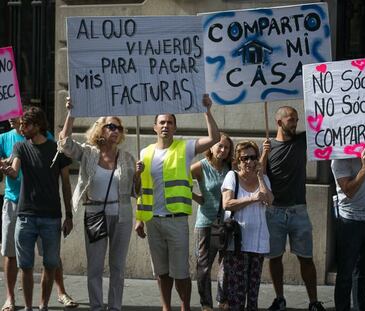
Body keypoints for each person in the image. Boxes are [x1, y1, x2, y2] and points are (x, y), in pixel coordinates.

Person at [135, 94, 220, 311]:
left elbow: (214, 138)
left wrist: (207, 111)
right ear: (155, 127)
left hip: (177, 220)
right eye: (161, 122)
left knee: (180, 272)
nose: (165, 125)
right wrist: (139, 219)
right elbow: (140, 190)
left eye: (169, 122)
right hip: (153, 220)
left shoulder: (185, 147)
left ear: (174, 127)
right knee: (161, 272)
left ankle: (185, 307)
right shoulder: (145, 153)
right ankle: (166, 307)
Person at [58, 98, 139, 311]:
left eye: (118, 128)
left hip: (122, 214)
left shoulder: (128, 158)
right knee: (95, 266)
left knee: (118, 267)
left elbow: (136, 192)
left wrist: (139, 175)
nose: (115, 130)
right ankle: (96, 306)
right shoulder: (88, 152)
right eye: (111, 126)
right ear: (100, 130)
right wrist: (71, 113)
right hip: (95, 212)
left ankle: (114, 307)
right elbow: (64, 144)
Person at [0, 117, 78, 311]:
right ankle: (19, 302)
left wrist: (69, 214)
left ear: (37, 125)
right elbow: (13, 171)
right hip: (20, 208)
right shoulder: (15, 144)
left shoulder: (54, 146)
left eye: (25, 123)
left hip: (49, 213)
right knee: (18, 260)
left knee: (51, 261)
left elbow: (66, 183)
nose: (20, 126)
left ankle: (51, 299)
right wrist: (6, 168)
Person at [261, 106, 325, 311]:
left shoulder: (302, 141)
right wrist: (263, 154)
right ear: (279, 122)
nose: (296, 123)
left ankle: (313, 302)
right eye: (291, 120)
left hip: (299, 211)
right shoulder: (268, 147)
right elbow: (259, 175)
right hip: (274, 212)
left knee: (306, 259)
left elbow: (324, 121)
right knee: (275, 258)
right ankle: (280, 298)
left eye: (296, 119)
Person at [221, 141, 273, 311]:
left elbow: (269, 201)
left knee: (253, 294)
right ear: (237, 160)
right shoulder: (232, 176)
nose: (249, 162)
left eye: (253, 157)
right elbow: (227, 204)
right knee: (236, 294)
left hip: (258, 243)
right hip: (237, 244)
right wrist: (251, 198)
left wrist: (259, 176)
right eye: (245, 158)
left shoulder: (263, 178)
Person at [331, 146, 365, 311]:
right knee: (346, 272)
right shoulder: (338, 159)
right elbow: (349, 190)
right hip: (349, 222)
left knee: (364, 272)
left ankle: (361, 306)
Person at [191, 132, 233, 311]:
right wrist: (195, 197)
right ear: (211, 146)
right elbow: (180, 177)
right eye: (219, 146)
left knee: (226, 264)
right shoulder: (200, 166)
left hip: (227, 222)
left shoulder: (230, 167)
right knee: (204, 266)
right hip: (206, 222)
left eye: (226, 147)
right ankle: (206, 304)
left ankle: (223, 300)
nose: (223, 150)